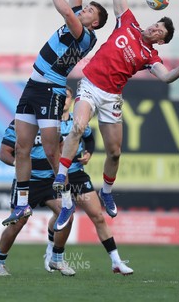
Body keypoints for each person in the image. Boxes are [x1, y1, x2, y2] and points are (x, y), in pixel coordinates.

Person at [52, 0, 179, 228]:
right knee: (78, 126)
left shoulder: (150, 57)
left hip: (112, 98)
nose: (154, 28)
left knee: (115, 152)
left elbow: (165, 78)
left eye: (160, 32)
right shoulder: (127, 22)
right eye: (156, 24)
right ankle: (61, 174)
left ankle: (106, 192)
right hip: (90, 85)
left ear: (161, 41)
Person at [2, 0, 108, 226]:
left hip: (51, 90)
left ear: (95, 23)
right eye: (85, 8)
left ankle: (67, 201)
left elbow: (64, 7)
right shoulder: (79, 19)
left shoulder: (83, 35)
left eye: (89, 11)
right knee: (23, 147)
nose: (83, 9)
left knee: (50, 149)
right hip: (33, 86)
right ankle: (22, 204)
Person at [48, 87, 134, 276]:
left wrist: (88, 153)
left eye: (67, 97)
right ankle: (52, 253)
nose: (63, 100)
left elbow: (90, 139)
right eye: (60, 97)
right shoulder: (48, 122)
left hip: (77, 173)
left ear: (71, 101)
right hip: (54, 175)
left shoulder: (77, 121)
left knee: (98, 216)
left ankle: (116, 262)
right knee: (62, 215)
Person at [0, 120, 73, 276]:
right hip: (26, 183)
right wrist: (20, 164)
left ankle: (57, 258)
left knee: (67, 215)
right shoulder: (18, 124)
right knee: (17, 223)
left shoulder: (50, 122)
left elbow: (60, 146)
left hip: (50, 181)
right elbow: (3, 153)